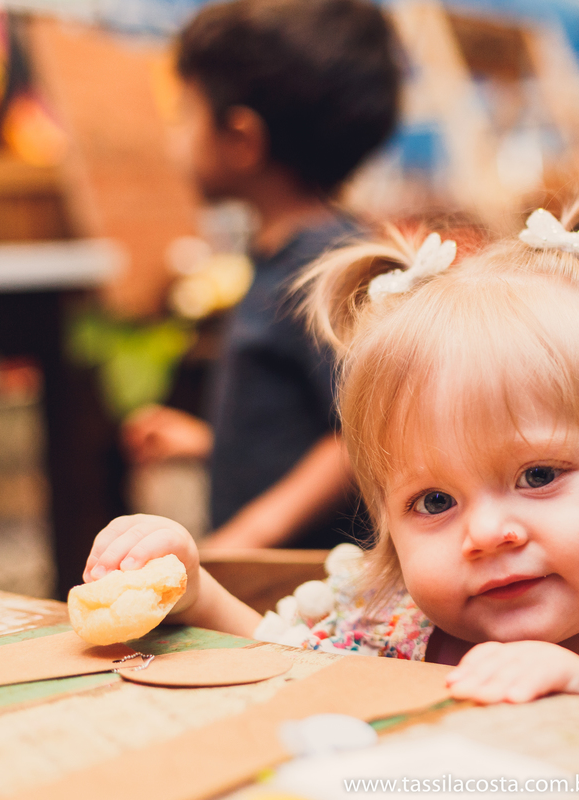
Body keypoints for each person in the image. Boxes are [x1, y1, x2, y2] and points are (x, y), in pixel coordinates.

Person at [82, 175, 579, 742]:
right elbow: (287, 675)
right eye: (434, 503)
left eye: (538, 476)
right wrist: (194, 593)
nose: (486, 533)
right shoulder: (403, 631)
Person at [121, 0, 402, 549]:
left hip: (301, 586)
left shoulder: (323, 263)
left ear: (242, 140)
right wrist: (208, 443)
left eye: (186, 113)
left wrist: (247, 535)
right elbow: (305, 420)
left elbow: (361, 436)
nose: (174, 137)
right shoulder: (292, 252)